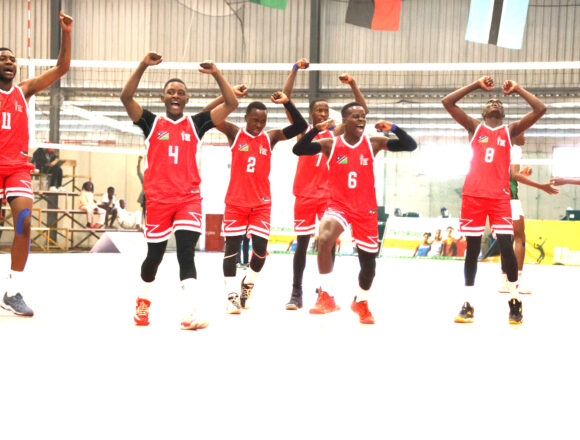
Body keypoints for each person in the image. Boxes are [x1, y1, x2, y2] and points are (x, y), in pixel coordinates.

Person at [121, 52, 238, 330]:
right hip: (158, 201)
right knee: (154, 257)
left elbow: (232, 102)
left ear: (186, 99)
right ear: (163, 98)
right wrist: (143, 65)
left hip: (188, 199)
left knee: (187, 253)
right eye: (171, 92)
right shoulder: (151, 123)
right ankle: (143, 301)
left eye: (181, 93)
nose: (176, 95)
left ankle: (190, 313)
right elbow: (126, 97)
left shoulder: (196, 124)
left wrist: (216, 73)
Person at [293, 104, 417, 324]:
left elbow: (410, 145)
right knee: (325, 237)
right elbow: (299, 150)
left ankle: (361, 300)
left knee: (369, 267)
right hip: (339, 205)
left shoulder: (373, 143)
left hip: (365, 209)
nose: (361, 120)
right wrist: (315, 130)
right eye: (355, 117)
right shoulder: (331, 144)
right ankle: (326, 295)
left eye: (363, 117)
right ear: (344, 121)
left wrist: (394, 128)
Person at [442, 76, 546, 325]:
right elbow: (447, 102)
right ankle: (468, 303)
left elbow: (540, 109)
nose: (495, 103)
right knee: (472, 250)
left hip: (500, 197)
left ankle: (514, 300)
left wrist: (518, 89)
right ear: (483, 111)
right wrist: (476, 84)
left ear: (503, 112)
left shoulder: (510, 131)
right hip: (473, 196)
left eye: (499, 102)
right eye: (490, 102)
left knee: (506, 247)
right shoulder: (474, 127)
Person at [205, 88, 307, 314]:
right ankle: (231, 295)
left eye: (262, 121)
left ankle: (248, 284)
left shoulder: (270, 138)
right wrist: (228, 96)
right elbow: (206, 115)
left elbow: (301, 126)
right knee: (231, 249)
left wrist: (287, 103)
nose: (258, 125)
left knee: (261, 250)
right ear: (246, 118)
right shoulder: (234, 133)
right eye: (254, 120)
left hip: (261, 204)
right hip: (236, 203)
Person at [281, 58, 369, 310]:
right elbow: (286, 98)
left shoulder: (335, 132)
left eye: (326, 110)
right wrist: (294, 70)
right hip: (305, 194)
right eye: (319, 110)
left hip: (329, 197)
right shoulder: (303, 131)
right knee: (302, 243)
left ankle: (324, 290)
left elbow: (361, 111)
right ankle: (296, 292)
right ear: (312, 113)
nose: (323, 113)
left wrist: (353, 84)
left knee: (327, 242)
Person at [0, 12, 73, 317]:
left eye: (12, 59)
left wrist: (66, 32)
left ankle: (13, 292)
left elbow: (62, 68)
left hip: (17, 167)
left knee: (24, 221)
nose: (9, 62)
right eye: (3, 58)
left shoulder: (24, 90)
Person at [498, 133, 558, 294]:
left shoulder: (498, 146)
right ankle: (516, 283)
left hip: (496, 198)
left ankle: (504, 281)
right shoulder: (515, 148)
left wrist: (522, 173)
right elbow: (514, 175)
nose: (525, 137)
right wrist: (540, 186)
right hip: (510, 198)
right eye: (523, 133)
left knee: (505, 239)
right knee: (519, 238)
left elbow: (509, 175)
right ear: (515, 135)